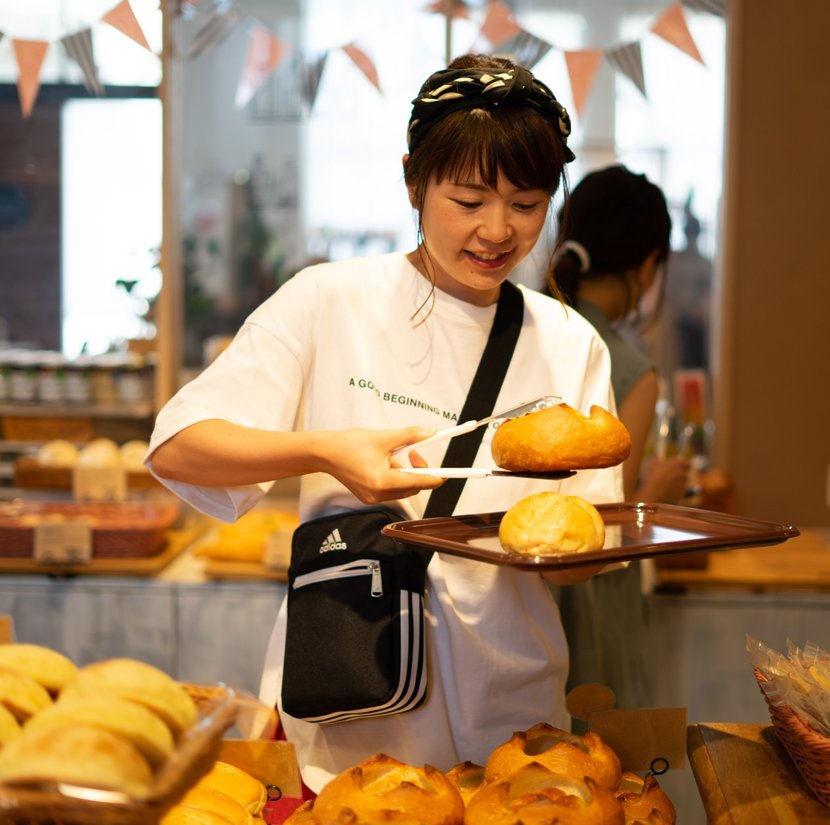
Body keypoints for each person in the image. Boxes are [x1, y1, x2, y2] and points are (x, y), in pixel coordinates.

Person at [145, 55, 622, 792]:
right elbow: (179, 448)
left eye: (526, 204)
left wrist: (575, 540)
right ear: (413, 181)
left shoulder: (568, 341)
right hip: (346, 716)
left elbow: (594, 540)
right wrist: (325, 451)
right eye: (468, 200)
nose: (497, 231)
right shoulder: (329, 300)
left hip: (512, 716)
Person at [547, 164, 691, 711]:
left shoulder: (525, 332)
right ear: (647, 264)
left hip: (517, 592)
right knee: (594, 769)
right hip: (590, 610)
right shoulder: (628, 368)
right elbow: (608, 523)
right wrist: (658, 491)